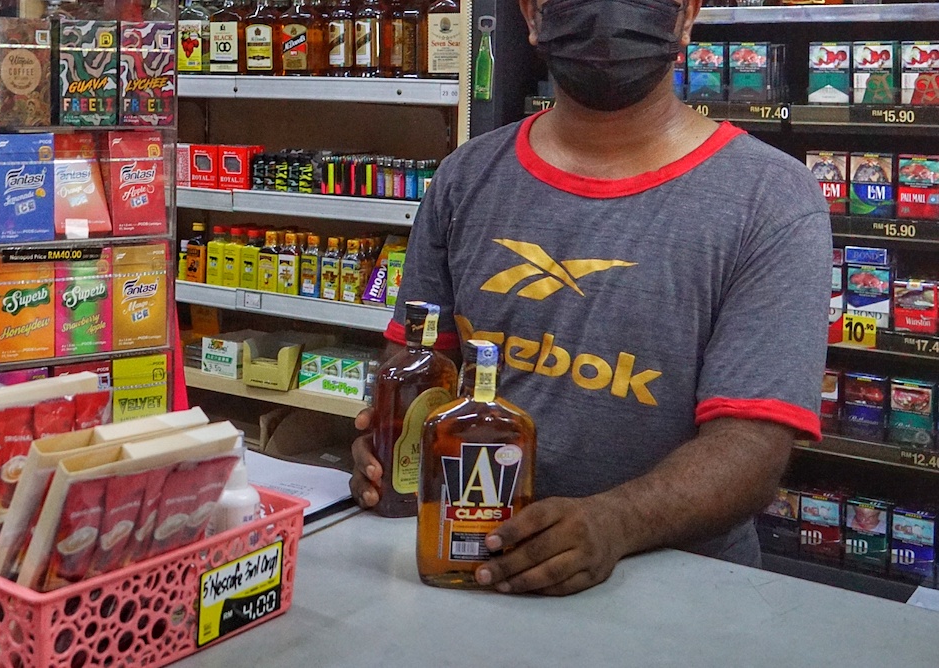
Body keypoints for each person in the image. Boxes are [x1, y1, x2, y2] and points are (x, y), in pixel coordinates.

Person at [350, 0, 831, 596]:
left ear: (685, 15)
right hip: (468, 560)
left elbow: (752, 446)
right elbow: (421, 364)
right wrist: (391, 444)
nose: (606, 15)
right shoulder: (464, 176)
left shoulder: (772, 199)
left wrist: (616, 522)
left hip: (681, 594)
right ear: (532, 15)